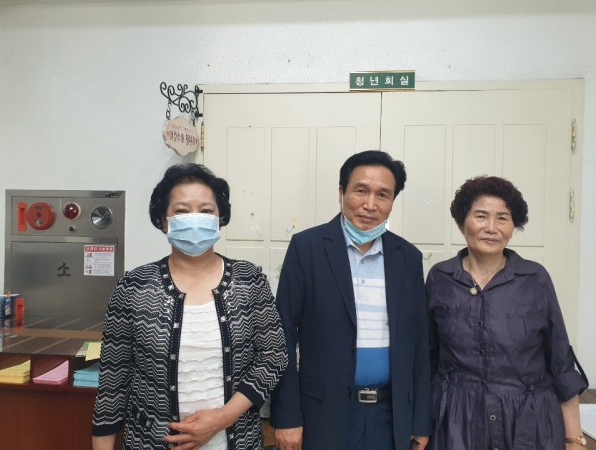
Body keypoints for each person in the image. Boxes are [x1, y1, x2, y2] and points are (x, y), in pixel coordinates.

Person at [92, 163, 288, 450]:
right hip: (150, 442)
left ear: (220, 219)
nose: (195, 219)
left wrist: (222, 418)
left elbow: (273, 357)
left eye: (206, 210)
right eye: (182, 211)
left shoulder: (249, 279)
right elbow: (113, 380)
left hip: (237, 440)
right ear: (163, 221)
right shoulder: (134, 286)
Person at [270, 150, 431, 450]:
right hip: (323, 414)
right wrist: (287, 415)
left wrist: (420, 422)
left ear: (392, 201)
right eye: (361, 190)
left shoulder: (408, 257)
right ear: (341, 192)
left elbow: (420, 344)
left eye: (382, 194)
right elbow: (282, 337)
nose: (370, 204)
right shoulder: (307, 248)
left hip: (391, 415)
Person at [426, 176, 589, 450]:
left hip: (528, 423)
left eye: (502, 218)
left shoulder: (535, 278)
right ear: (462, 223)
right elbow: (427, 358)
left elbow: (560, 361)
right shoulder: (440, 278)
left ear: (514, 227)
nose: (492, 228)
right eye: (481, 216)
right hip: (456, 423)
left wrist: (574, 439)